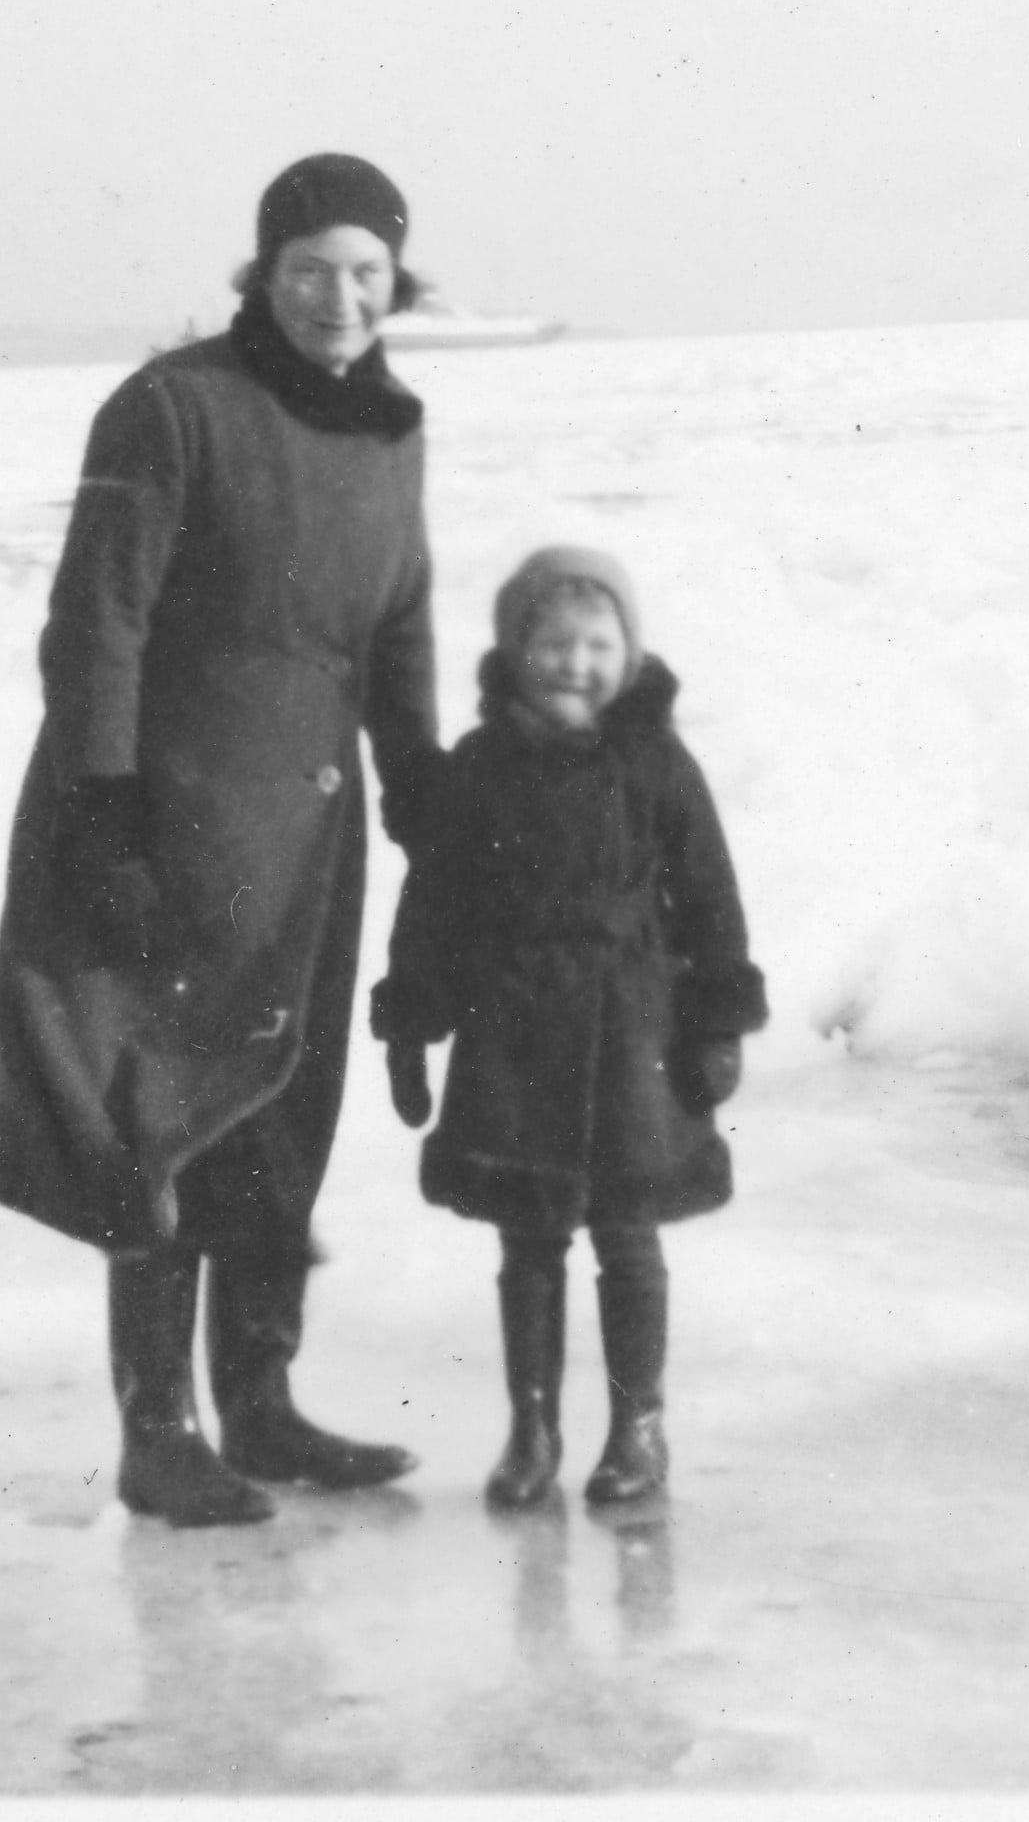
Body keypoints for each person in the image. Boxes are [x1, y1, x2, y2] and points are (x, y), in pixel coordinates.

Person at [0, 154, 443, 1529]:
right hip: (167, 820)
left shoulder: (391, 430)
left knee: (282, 1102)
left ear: (395, 281)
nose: (338, 298)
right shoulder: (172, 409)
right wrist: (103, 812)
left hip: (310, 832)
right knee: (159, 1116)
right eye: (309, 269)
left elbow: (401, 626)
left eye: (365, 272)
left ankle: (264, 1402)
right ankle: (159, 1431)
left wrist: (418, 790)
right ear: (264, 273)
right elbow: (94, 625)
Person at [369, 545, 767, 1512]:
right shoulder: (476, 769)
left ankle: (639, 1431)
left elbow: (711, 897)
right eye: (552, 642)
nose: (573, 663)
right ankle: (532, 1429)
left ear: (627, 654)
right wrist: (413, 1024)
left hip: (636, 1035)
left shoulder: (659, 765)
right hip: (512, 1036)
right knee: (529, 1243)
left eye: (597, 643)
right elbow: (434, 902)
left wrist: (717, 1021)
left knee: (629, 1240)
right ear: (516, 648)